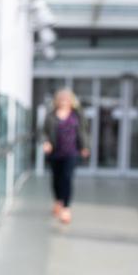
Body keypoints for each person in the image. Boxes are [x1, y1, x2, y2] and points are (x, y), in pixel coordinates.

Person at [41, 88, 90, 224]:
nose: (63, 102)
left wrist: (85, 146)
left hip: (71, 152)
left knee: (67, 178)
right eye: (61, 99)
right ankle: (58, 200)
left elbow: (84, 131)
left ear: (71, 101)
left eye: (66, 99)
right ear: (57, 101)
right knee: (56, 179)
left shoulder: (77, 114)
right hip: (55, 152)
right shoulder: (51, 115)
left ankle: (66, 208)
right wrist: (46, 142)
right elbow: (43, 132)